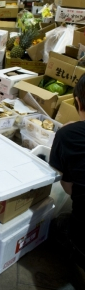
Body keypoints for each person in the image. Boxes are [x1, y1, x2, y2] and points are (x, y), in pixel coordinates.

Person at [49, 74, 85, 271]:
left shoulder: (68, 135)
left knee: (56, 224)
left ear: (77, 101)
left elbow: (69, 189)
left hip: (82, 244)